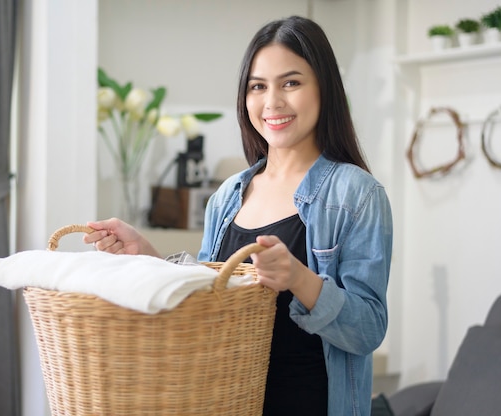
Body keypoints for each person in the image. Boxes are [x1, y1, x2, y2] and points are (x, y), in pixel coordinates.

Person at [84, 15, 393, 416]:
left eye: (291, 82)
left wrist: (299, 279)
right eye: (258, 86)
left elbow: (368, 328)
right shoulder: (227, 195)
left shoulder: (357, 194)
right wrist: (149, 258)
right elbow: (211, 299)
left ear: (324, 88)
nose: (273, 102)